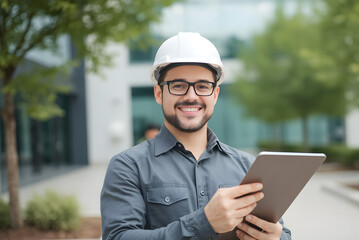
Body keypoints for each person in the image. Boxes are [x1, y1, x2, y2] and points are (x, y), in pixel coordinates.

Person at [101, 32, 292, 240]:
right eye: (179, 86)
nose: (191, 96)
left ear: (215, 95)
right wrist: (204, 222)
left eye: (202, 86)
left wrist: (278, 238)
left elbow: (281, 231)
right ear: (159, 93)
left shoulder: (246, 165)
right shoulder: (128, 166)